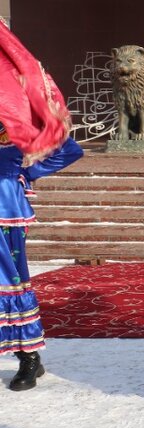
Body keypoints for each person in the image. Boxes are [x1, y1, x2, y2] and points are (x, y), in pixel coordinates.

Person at [0, 126, 83, 390]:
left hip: (4, 210)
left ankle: (28, 357)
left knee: (7, 283)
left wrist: (24, 173)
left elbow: (70, 150)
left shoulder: (18, 123)